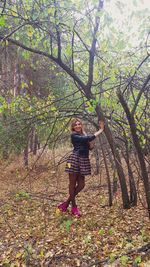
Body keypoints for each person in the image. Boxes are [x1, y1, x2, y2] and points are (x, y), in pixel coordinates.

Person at [58, 118, 105, 216]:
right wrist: (100, 130)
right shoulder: (74, 135)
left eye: (79, 124)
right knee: (72, 183)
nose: (78, 126)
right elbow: (88, 139)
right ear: (73, 127)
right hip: (75, 159)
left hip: (84, 160)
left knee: (81, 185)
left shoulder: (83, 135)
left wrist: (90, 142)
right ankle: (74, 208)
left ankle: (66, 204)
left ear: (81, 125)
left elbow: (90, 148)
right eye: (76, 125)